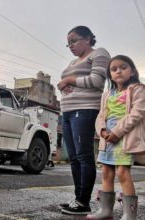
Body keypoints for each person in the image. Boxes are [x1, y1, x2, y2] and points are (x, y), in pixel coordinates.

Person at [57, 26, 111, 215]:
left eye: (74, 40)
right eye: (68, 43)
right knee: (73, 158)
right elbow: (64, 82)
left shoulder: (99, 53)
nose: (70, 45)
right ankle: (78, 198)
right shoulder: (73, 61)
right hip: (67, 111)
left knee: (83, 155)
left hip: (85, 110)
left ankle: (83, 202)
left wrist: (69, 80)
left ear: (87, 38)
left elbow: (97, 81)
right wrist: (63, 84)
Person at [86, 55, 145, 220]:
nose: (118, 71)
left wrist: (117, 132)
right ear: (110, 74)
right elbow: (100, 116)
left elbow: (137, 113)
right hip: (107, 139)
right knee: (106, 172)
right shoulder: (107, 94)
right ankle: (106, 211)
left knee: (122, 172)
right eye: (114, 69)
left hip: (124, 138)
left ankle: (129, 215)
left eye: (123, 67)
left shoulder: (137, 89)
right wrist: (102, 131)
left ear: (132, 71)